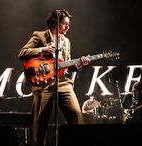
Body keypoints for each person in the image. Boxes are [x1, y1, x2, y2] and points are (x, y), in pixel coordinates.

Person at [18, 9, 90, 146]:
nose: (68, 27)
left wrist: (79, 64)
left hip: (63, 83)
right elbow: (22, 53)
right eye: (65, 24)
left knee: (76, 114)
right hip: (44, 84)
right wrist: (42, 50)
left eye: (69, 24)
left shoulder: (66, 41)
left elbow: (66, 65)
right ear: (54, 23)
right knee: (40, 122)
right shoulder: (39, 36)